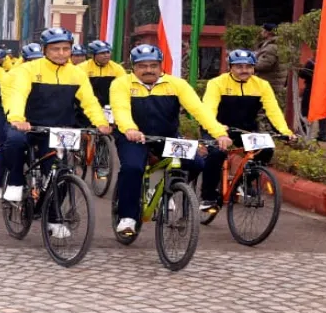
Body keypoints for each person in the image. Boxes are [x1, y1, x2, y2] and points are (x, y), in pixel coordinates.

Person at [109, 44, 231, 237]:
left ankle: (168, 189)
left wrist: (219, 133)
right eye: (142, 66)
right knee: (133, 168)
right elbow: (121, 110)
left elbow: (199, 110)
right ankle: (128, 216)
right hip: (133, 137)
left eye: (153, 65)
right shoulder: (121, 84)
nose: (149, 70)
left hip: (168, 137)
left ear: (160, 66)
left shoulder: (177, 84)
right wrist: (130, 129)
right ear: (133, 67)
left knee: (197, 163)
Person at [2, 29, 111, 241]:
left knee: (61, 173)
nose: (61, 53)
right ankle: (15, 182)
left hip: (58, 130)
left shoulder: (77, 73)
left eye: (65, 49)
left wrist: (100, 122)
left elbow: (89, 101)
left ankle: (53, 218)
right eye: (55, 49)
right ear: (45, 50)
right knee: (13, 142)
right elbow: (18, 95)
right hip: (29, 125)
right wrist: (17, 117)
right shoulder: (28, 70)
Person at [199, 49, 294, 210]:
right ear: (230, 67)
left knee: (266, 149)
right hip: (216, 127)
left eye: (249, 67)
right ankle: (207, 196)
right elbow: (209, 109)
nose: (244, 70)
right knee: (217, 153)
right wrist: (218, 132)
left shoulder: (262, 85)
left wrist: (285, 131)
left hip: (246, 129)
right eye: (239, 67)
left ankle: (244, 182)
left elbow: (273, 110)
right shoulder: (217, 83)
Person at [80, 40, 125, 108]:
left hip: (110, 107)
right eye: (102, 53)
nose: (106, 55)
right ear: (93, 55)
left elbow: (124, 89)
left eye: (108, 52)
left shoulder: (117, 68)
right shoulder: (82, 68)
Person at [254, 23, 286, 97]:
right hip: (276, 82)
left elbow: (263, 65)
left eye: (262, 31)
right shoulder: (280, 45)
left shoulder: (271, 47)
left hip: (269, 82)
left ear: (268, 33)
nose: (261, 33)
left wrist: (249, 63)